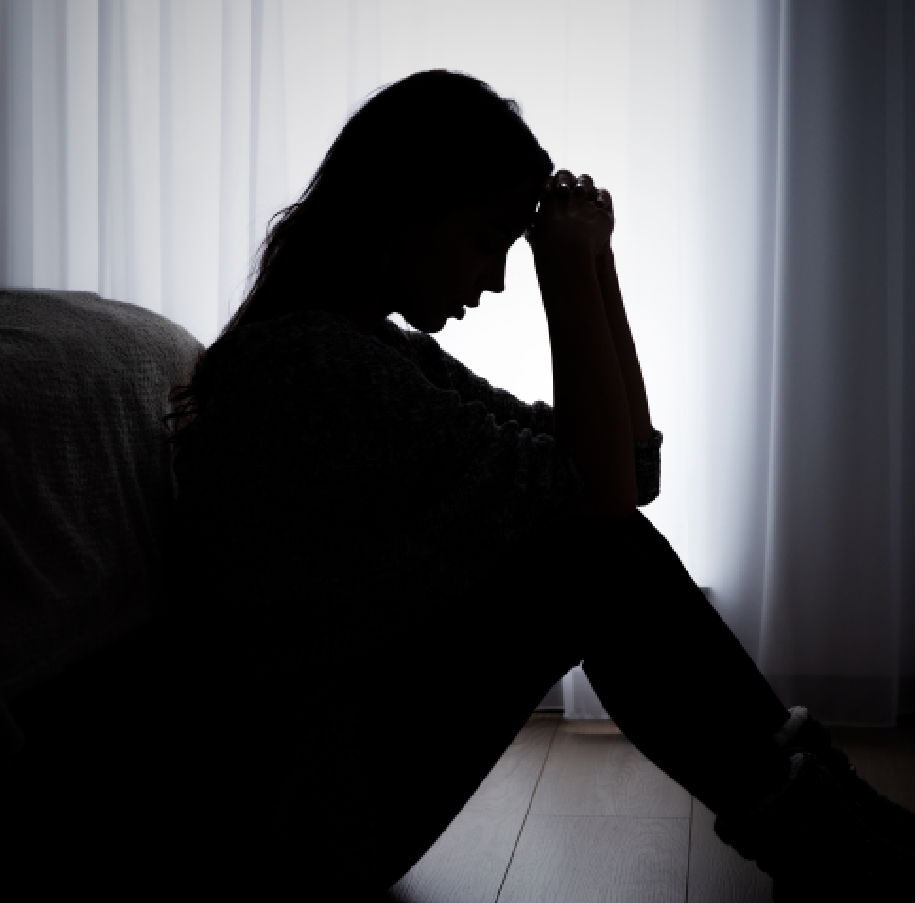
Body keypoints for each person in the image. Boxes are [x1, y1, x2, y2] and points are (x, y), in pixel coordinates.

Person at [2, 69, 912, 902]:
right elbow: (600, 498)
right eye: (485, 242)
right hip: (287, 820)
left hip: (334, 778)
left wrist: (596, 269)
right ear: (401, 213)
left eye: (513, 251)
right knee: (590, 562)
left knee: (594, 549)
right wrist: (569, 282)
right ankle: (837, 842)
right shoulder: (304, 369)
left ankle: (839, 831)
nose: (498, 278)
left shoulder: (379, 354)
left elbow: (626, 468)